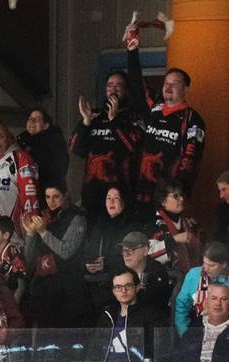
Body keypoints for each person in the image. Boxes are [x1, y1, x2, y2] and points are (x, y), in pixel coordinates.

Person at [126, 36, 205, 211]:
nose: (168, 87)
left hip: (166, 199)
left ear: (185, 89)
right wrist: (132, 51)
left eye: (174, 84)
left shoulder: (192, 119)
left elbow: (191, 159)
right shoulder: (154, 108)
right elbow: (137, 87)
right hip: (140, 193)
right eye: (166, 83)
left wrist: (175, 195)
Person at [70, 70, 140, 221]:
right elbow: (75, 149)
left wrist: (114, 120)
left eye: (118, 86)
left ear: (126, 91)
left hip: (119, 196)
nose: (113, 90)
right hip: (92, 194)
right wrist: (86, 122)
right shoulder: (94, 116)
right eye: (110, 86)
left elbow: (133, 147)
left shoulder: (132, 118)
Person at [22, 182, 89, 327]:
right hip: (43, 286)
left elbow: (66, 252)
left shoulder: (77, 218)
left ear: (66, 196)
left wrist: (43, 232)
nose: (51, 201)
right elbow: (28, 258)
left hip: (67, 288)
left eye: (56, 197)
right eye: (47, 197)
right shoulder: (44, 217)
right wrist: (30, 234)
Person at [173, 243, 229, 337]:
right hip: (198, 334)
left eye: (211, 265)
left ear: (224, 264)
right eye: (204, 263)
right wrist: (185, 334)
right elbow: (181, 306)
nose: (205, 268)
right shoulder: (193, 275)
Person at [148, 178, 202, 278]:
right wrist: (175, 239)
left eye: (181, 195)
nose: (181, 199)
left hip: (192, 278)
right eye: (176, 196)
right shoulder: (154, 224)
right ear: (163, 201)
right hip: (167, 281)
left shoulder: (189, 222)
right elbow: (150, 255)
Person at [17, 109, 69, 204]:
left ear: (46, 125)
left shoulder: (54, 140)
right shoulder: (21, 141)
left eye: (36, 119)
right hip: (27, 194)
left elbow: (60, 167)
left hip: (47, 194)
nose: (31, 121)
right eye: (30, 119)